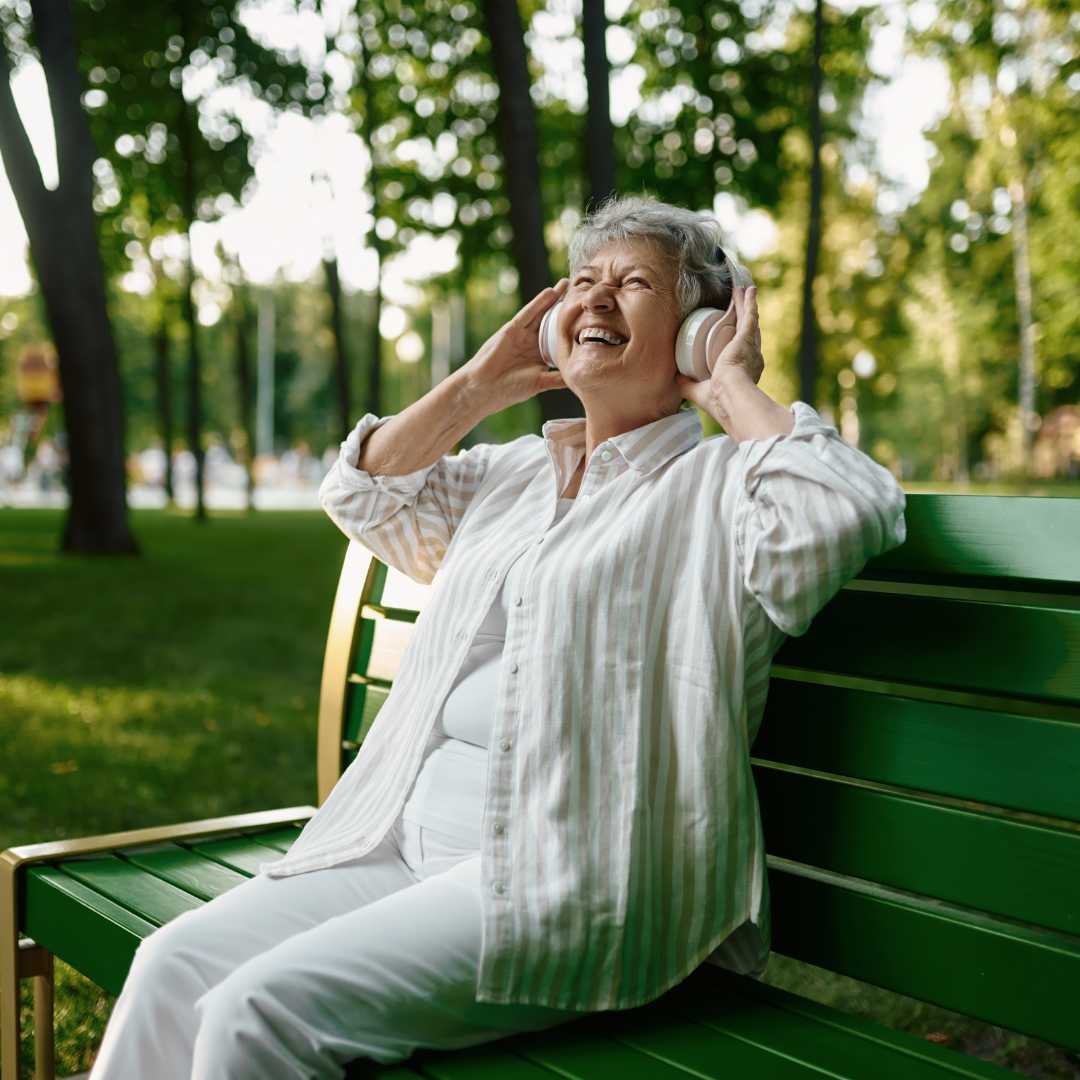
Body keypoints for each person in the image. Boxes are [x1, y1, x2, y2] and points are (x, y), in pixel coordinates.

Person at [88, 193, 906, 1079]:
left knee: (258, 1015)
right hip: (401, 847)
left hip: (570, 875)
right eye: (582, 281)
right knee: (169, 966)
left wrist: (729, 383)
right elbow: (362, 493)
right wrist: (480, 383)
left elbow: (844, 511)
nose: (594, 297)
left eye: (632, 284)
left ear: (695, 329)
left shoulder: (719, 490)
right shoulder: (515, 474)